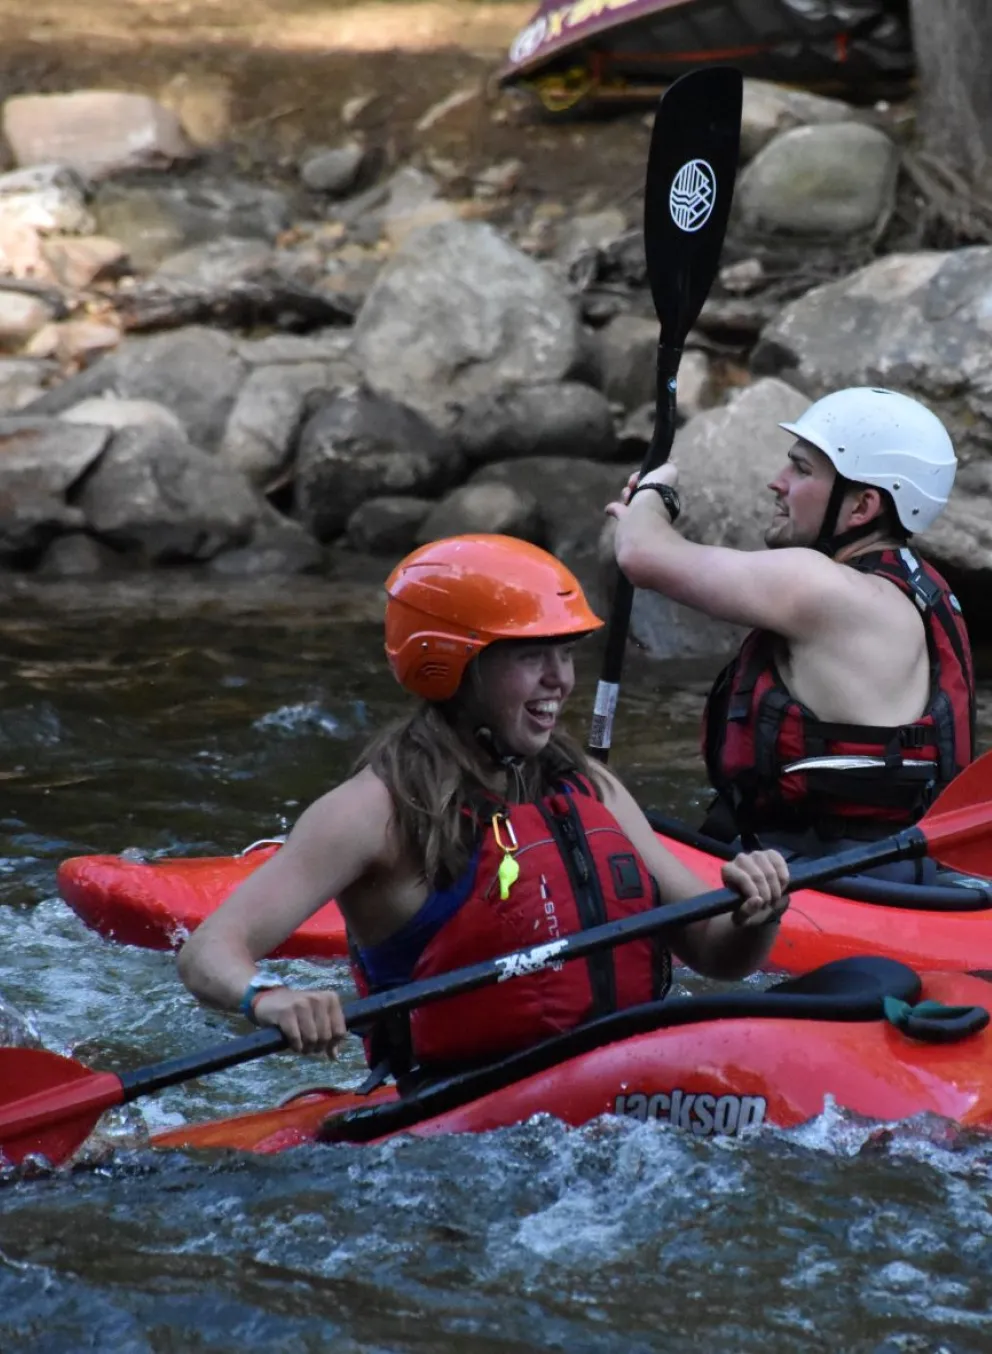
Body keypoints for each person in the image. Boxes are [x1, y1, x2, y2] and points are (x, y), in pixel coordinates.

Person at [178, 534, 790, 1073]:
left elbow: (715, 953)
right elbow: (209, 951)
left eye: (567, 653)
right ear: (451, 664)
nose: (561, 680)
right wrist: (270, 996)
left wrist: (757, 912)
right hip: (461, 1117)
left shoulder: (590, 788)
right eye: (531, 656)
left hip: (627, 1088)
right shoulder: (374, 813)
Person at [607, 386, 975, 877]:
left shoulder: (825, 588)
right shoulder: (920, 590)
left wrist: (656, 493)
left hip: (816, 876)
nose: (776, 483)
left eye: (801, 470)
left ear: (862, 506)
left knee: (599, 800)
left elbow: (640, 555)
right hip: (885, 866)